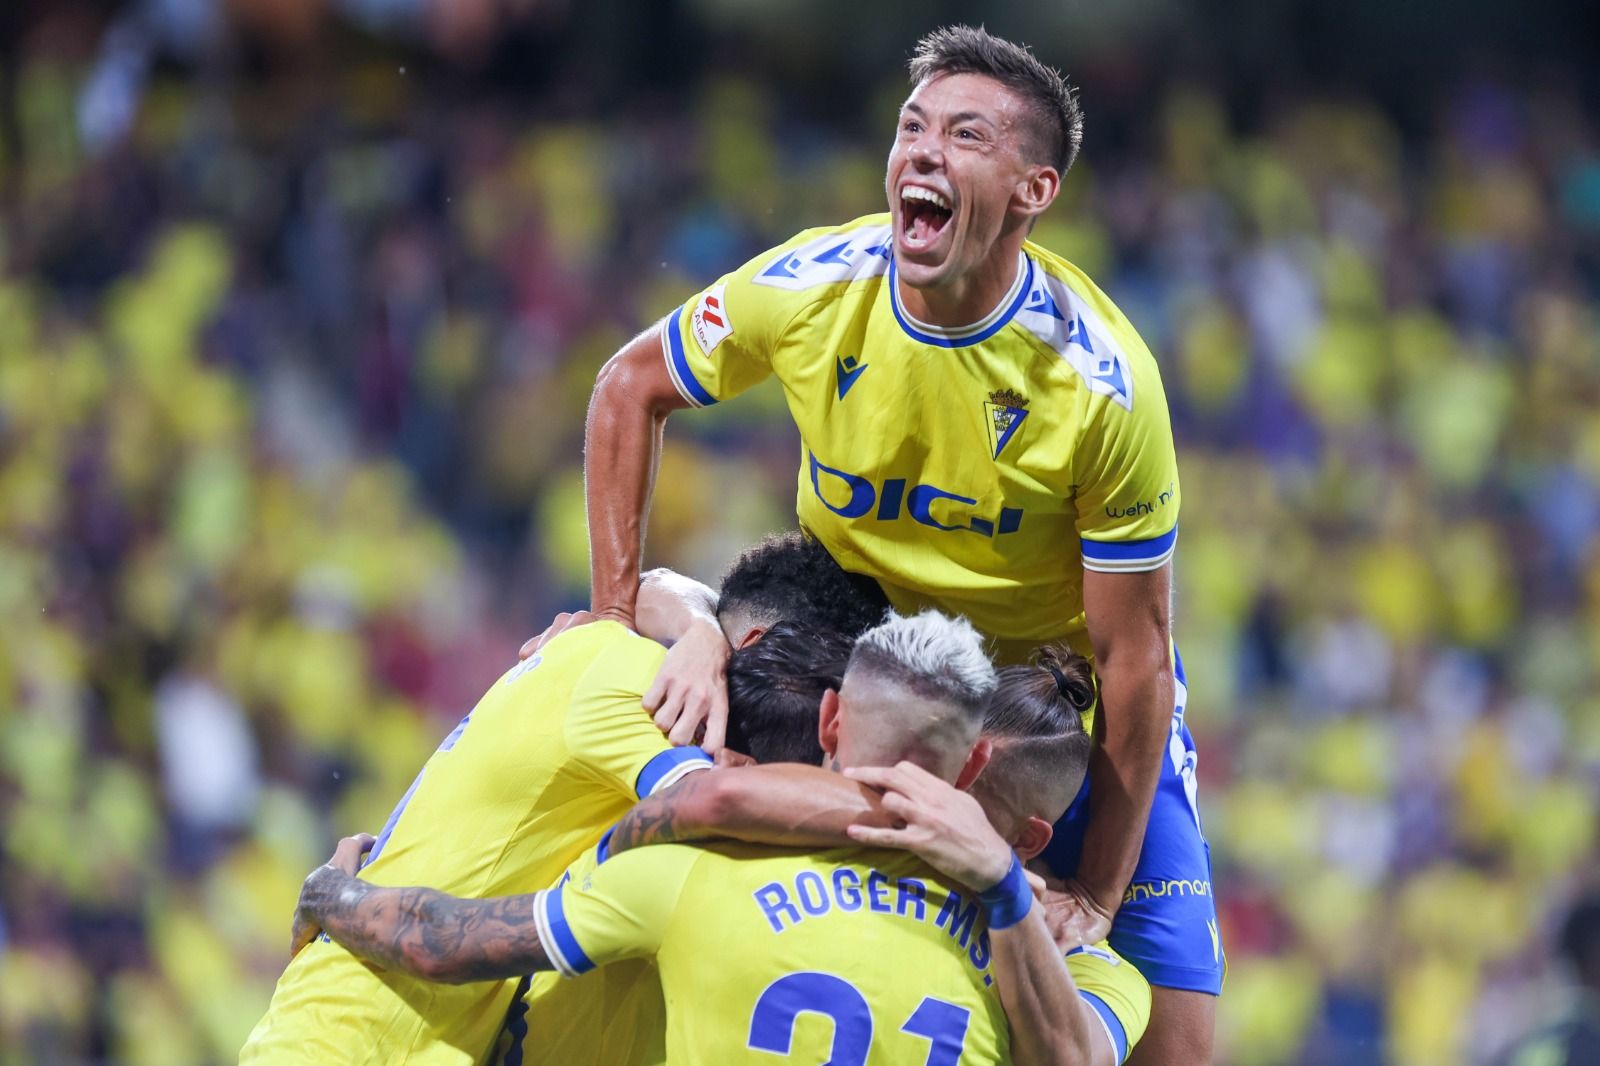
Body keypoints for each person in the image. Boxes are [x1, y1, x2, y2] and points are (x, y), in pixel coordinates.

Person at [558, 23, 1217, 1061]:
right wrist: (608, 617)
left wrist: (1095, 885)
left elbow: (1137, 656)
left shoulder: (1103, 388)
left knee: (1176, 1047)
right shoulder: (814, 283)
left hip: (1033, 699)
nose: (921, 151)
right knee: (651, 752)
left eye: (964, 134)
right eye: (912, 126)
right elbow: (628, 386)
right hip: (851, 651)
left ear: (1032, 190)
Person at [294, 620, 1150, 1065]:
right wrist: (1001, 885)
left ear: (827, 722)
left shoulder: (704, 876)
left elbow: (445, 942)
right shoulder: (1088, 971)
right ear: (967, 768)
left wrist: (335, 896)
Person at [239, 532, 885, 1064]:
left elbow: (656, 590)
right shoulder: (634, 682)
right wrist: (920, 821)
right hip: (361, 1040)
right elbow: (721, 800)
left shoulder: (613, 660)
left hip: (368, 1025)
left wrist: (697, 627)